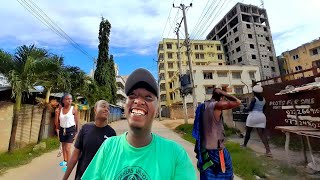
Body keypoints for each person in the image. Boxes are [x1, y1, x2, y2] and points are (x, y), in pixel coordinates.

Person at [82, 68, 196, 180]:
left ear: (156, 110)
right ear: (125, 106)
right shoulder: (108, 148)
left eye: (148, 97)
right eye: (132, 95)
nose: (138, 101)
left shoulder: (176, 155)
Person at [193, 88, 241, 180]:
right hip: (217, 151)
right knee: (226, 173)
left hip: (204, 151)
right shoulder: (217, 105)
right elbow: (237, 102)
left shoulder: (202, 107)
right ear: (221, 98)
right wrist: (223, 92)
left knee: (208, 175)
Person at [62, 100, 116, 180]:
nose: (106, 109)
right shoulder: (85, 128)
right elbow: (74, 156)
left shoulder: (111, 134)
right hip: (82, 176)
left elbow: (111, 162)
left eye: (108, 108)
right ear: (95, 110)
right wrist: (64, 178)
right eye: (103, 106)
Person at [241, 85, 272, 157]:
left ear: (254, 92)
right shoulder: (264, 99)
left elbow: (250, 109)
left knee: (248, 131)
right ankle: (268, 151)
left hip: (253, 116)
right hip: (261, 116)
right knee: (262, 134)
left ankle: (244, 145)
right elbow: (264, 109)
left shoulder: (253, 99)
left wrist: (245, 108)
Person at [55, 93, 79, 172]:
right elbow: (57, 122)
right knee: (64, 147)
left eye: (71, 99)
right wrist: (56, 114)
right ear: (63, 100)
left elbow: (77, 121)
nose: (70, 100)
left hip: (71, 130)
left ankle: (69, 165)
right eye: (68, 99)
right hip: (62, 129)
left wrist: (76, 132)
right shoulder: (60, 110)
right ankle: (65, 161)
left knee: (68, 148)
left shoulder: (73, 109)